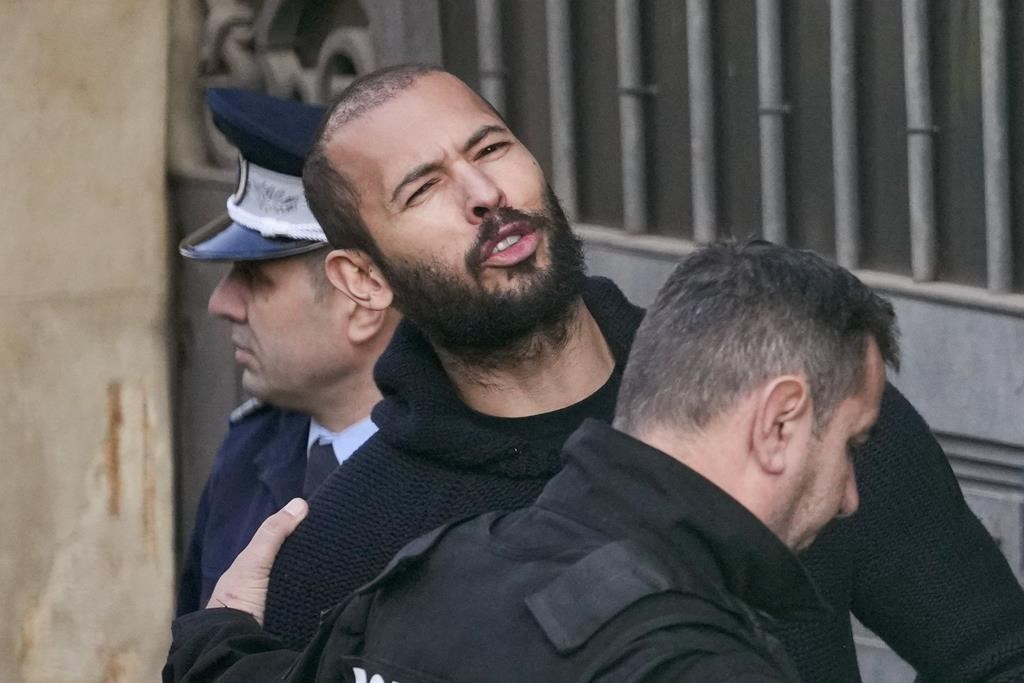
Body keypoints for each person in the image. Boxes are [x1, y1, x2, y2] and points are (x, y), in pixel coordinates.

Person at [207, 65, 1024, 681]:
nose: (485, 193)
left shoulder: (789, 399)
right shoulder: (344, 545)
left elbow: (995, 655)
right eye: (424, 189)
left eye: (491, 148)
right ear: (363, 278)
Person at [165, 240, 898, 682]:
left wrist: (217, 639)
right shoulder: (703, 665)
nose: (850, 496)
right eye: (851, 445)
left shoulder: (438, 572)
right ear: (779, 420)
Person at [175, 88, 397, 615]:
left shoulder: (459, 477)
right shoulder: (251, 449)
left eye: (255, 279)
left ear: (360, 302)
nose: (221, 304)